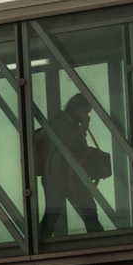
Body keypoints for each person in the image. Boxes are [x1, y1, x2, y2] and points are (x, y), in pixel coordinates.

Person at [37, 95, 107, 238]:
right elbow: (69, 147)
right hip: (58, 176)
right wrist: (84, 126)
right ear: (75, 108)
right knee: (56, 213)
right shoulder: (61, 124)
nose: (85, 115)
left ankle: (97, 238)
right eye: (84, 112)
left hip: (66, 174)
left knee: (84, 210)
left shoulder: (65, 123)